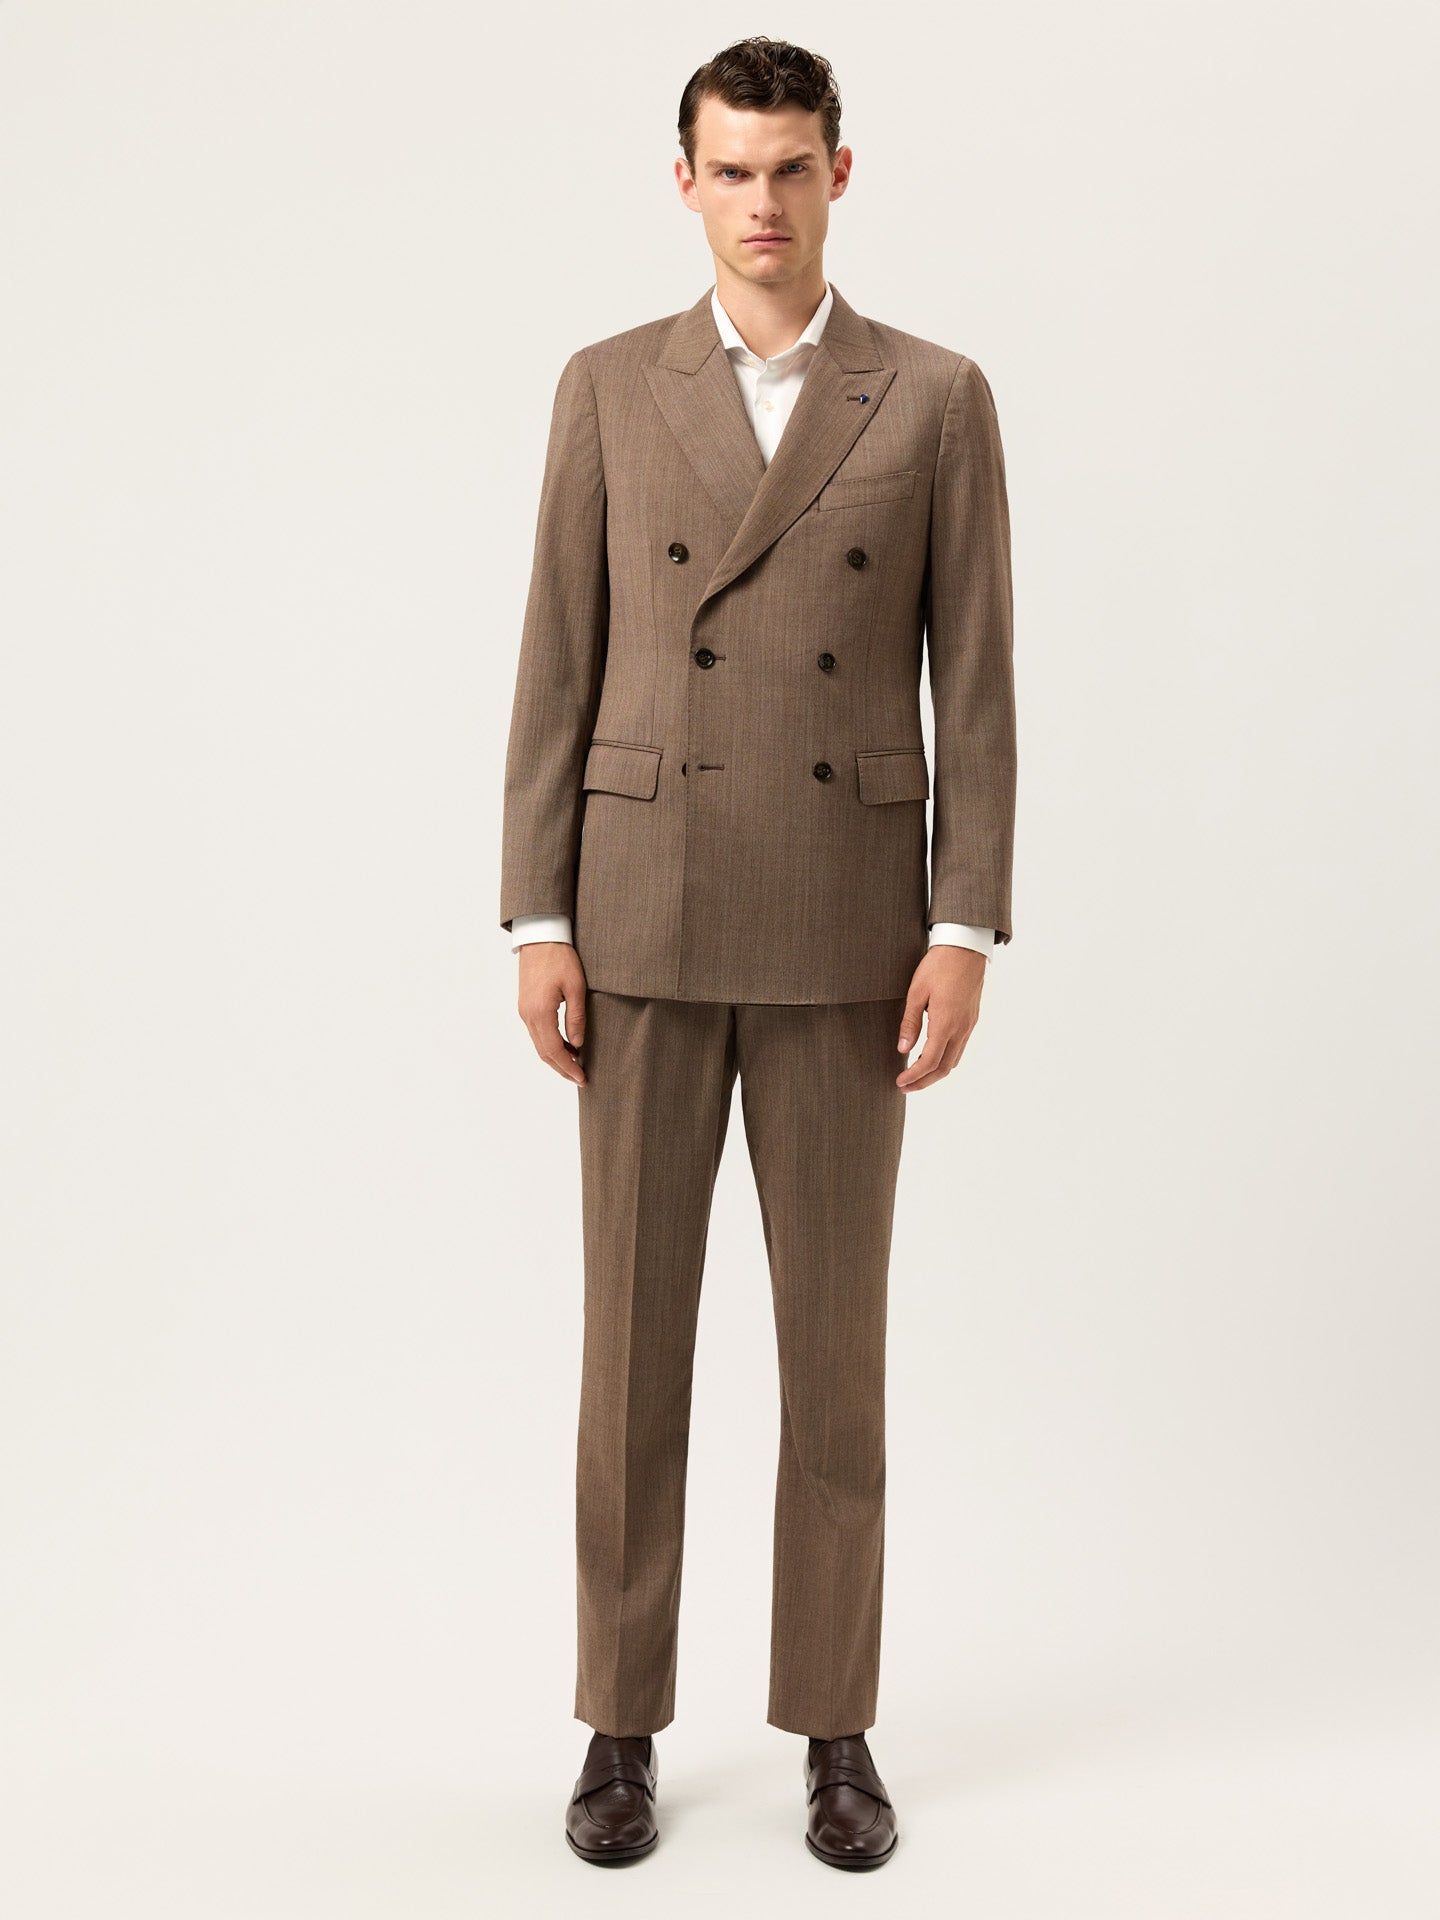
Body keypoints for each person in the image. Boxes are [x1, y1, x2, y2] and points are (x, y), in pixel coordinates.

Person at [500, 35, 1016, 1872]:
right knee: (629, 1357)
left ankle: (836, 1729)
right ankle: (618, 1724)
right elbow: (558, 660)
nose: (765, 202)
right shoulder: (606, 387)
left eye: (793, 167)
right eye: (733, 170)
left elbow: (979, 682)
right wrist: (539, 913)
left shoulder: (933, 396)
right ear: (686, 183)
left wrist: (962, 922)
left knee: (834, 1365)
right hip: (642, 912)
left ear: (840, 175)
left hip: (849, 928)